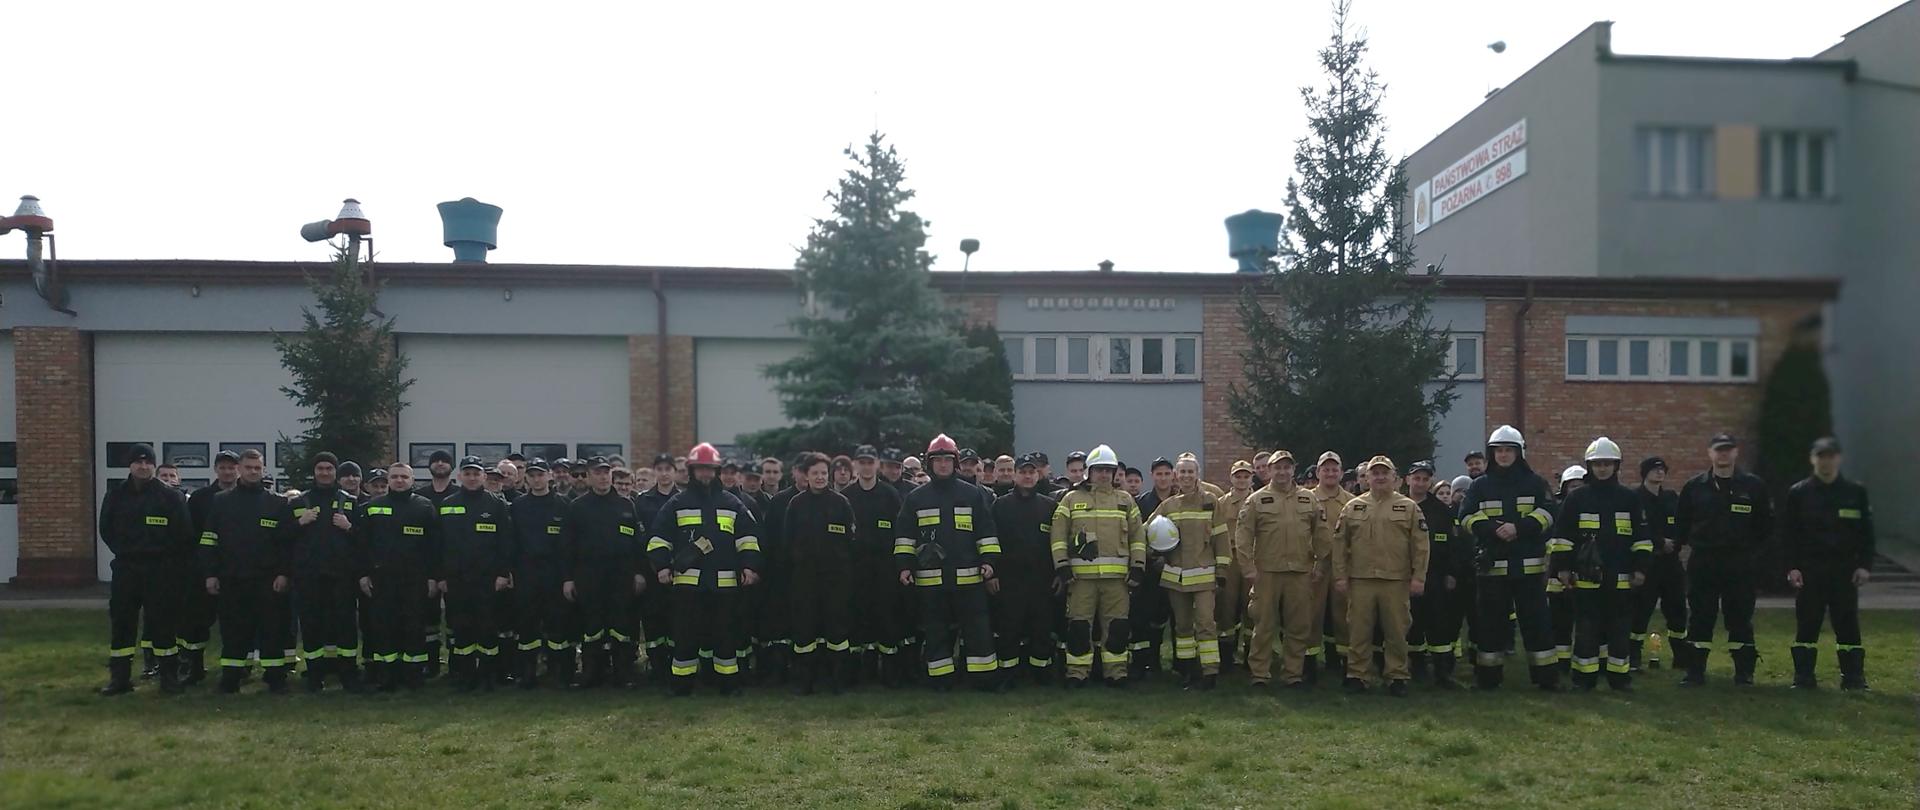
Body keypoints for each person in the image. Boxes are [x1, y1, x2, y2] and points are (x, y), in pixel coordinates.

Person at [647, 442, 763, 696]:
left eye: (710, 469)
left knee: (725, 637)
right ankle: (681, 686)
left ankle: (728, 685)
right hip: (688, 584)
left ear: (717, 471)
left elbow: (749, 538)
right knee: (685, 637)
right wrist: (662, 566)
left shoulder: (732, 503)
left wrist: (750, 566)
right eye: (700, 469)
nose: (705, 474)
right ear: (691, 470)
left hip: (725, 585)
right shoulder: (677, 503)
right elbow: (658, 538)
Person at [895, 434, 1001, 691]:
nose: (942, 464)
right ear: (929, 464)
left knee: (977, 632)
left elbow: (986, 532)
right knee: (936, 632)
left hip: (970, 579)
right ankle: (940, 680)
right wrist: (904, 566)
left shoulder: (973, 495)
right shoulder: (916, 498)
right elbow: (904, 536)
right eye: (937, 460)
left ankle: (981, 680)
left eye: (947, 459)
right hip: (931, 580)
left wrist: (989, 561)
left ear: (955, 463)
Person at [1460, 426, 1560, 691]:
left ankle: (1546, 679)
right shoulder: (1480, 484)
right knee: (1489, 626)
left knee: (1536, 623)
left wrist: (1520, 527)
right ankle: (1488, 680)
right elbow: (1466, 516)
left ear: (1519, 452)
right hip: (1492, 570)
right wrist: (1493, 529)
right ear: (1492, 454)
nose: (1503, 455)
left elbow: (1550, 513)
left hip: (1528, 569)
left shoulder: (1535, 483)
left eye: (1509, 450)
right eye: (1498, 450)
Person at [1549, 439, 1652, 691]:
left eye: (1607, 464)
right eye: (1598, 464)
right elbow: (1562, 537)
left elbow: (1642, 538)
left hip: (1621, 576)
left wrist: (1640, 569)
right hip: (1586, 578)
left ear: (1616, 466)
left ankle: (1619, 678)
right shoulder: (1577, 499)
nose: (1603, 468)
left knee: (1619, 630)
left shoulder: (1629, 499)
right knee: (1586, 629)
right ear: (1589, 466)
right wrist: (1562, 568)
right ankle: (1584, 679)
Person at [1674, 433, 1772, 687]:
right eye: (1719, 450)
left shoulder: (1753, 486)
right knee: (1700, 617)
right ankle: (1694, 672)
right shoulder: (1694, 487)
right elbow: (1681, 525)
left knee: (1740, 617)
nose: (1723, 454)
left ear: (1736, 453)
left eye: (1728, 449)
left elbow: (1765, 527)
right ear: (1710, 453)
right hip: (1704, 561)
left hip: (1739, 562)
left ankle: (1744, 673)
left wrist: (1752, 555)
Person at [98, 444, 195, 696]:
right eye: (138, 462)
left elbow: (184, 534)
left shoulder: (170, 497)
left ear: (154, 465)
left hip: (161, 569)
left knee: (163, 624)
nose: (143, 467)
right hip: (126, 568)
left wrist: (166, 560)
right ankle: (120, 679)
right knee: (122, 623)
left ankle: (168, 678)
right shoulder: (116, 495)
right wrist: (126, 550)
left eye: (148, 462)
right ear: (129, 465)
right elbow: (106, 529)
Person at [1332, 456, 1429, 697]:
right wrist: (1340, 576)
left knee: (1396, 631)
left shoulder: (1408, 507)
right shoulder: (1353, 507)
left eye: (1384, 473)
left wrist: (1419, 577)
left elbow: (1421, 545)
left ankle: (1396, 676)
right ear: (1367, 478)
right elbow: (1339, 545)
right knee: (1358, 631)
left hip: (1395, 580)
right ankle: (1357, 675)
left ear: (1395, 477)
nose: (1380, 477)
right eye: (1375, 473)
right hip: (1361, 579)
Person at [1783, 437, 1874, 691]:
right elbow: (1789, 535)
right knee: (1807, 625)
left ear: (1839, 458)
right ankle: (1803, 678)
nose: (1826, 461)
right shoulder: (1799, 493)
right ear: (1813, 459)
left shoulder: (1855, 493)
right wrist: (1792, 567)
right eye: (1821, 456)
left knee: (1847, 626)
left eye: (1831, 456)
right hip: (1810, 571)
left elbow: (1867, 535)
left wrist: (1865, 566)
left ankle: (1853, 678)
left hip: (1844, 572)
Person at [200, 449, 295, 694]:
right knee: (233, 631)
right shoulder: (221, 501)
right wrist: (210, 573)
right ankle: (231, 678)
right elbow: (209, 539)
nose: (253, 471)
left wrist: (284, 573)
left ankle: (275, 678)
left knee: (272, 630)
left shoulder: (278, 503)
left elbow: (287, 543)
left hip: (268, 580)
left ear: (263, 470)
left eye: (257, 468)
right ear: (239, 469)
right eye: (249, 467)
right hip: (232, 578)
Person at [1050, 444, 1145, 688]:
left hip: (1117, 580)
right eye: (1099, 469)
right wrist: (1062, 566)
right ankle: (1077, 673)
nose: (1103, 474)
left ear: (1114, 473)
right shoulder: (1071, 499)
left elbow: (1138, 537)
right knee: (1079, 627)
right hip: (1080, 580)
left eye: (1108, 470)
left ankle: (1116, 672)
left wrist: (1138, 567)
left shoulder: (1125, 501)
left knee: (1117, 627)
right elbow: (1058, 535)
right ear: (1089, 471)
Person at [1234, 450, 1329, 689]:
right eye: (1278, 467)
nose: (1282, 471)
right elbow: (1243, 535)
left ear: (1293, 469)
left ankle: (1293, 675)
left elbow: (1322, 535)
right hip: (1267, 573)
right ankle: (1259, 674)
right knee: (1264, 626)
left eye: (1287, 467)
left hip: (1299, 572)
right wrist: (1247, 567)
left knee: (1298, 627)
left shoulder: (1309, 499)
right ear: (1269, 470)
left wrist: (1320, 564)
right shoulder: (1256, 499)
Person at [354, 463, 440, 691]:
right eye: (395, 477)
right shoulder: (373, 507)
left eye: (404, 477)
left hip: (415, 579)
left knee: (413, 627)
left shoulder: (424, 507)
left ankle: (413, 675)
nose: (399, 480)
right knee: (384, 627)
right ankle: (387, 676)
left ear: (412, 480)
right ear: (389, 480)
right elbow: (362, 545)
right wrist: (363, 574)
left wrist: (433, 577)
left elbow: (435, 546)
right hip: (382, 579)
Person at [283, 452, 364, 693]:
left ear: (335, 472)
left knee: (345, 626)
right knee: (311, 625)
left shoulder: (350, 502)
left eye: (329, 468)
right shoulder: (299, 503)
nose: (325, 472)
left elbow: (365, 539)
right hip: (309, 577)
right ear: (314, 471)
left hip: (342, 576)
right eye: (320, 468)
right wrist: (299, 523)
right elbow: (281, 537)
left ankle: (348, 673)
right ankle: (314, 674)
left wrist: (350, 528)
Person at [562, 457, 646, 689]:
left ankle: (623, 674)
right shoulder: (577, 507)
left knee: (622, 627)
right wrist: (568, 579)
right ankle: (591, 674)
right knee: (592, 627)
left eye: (606, 472)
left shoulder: (626, 505)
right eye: (597, 473)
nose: (602, 477)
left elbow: (638, 544)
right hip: (589, 576)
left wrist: (639, 573)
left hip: (621, 576)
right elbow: (567, 547)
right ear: (589, 476)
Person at [781, 452, 859, 695]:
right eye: (815, 473)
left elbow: (851, 539)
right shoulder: (796, 504)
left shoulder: (841, 503)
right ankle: (805, 681)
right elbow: (787, 540)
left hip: (836, 579)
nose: (819, 477)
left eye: (823, 473)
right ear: (806, 475)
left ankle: (838, 680)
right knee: (805, 631)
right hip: (804, 579)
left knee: (837, 630)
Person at [1152, 454, 1231, 690]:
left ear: (1197, 474)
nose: (1186, 476)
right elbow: (1148, 531)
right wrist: (1156, 557)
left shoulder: (1210, 502)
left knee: (1206, 623)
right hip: (1176, 576)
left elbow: (1221, 536)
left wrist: (1223, 569)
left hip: (1204, 574)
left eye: (1191, 471)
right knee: (1183, 627)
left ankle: (1210, 672)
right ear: (1177, 475)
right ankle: (1187, 671)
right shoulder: (1168, 506)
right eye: (1183, 472)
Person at [436, 456, 514, 692]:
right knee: (462, 628)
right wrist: (441, 576)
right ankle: (465, 675)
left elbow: (506, 543)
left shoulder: (497, 505)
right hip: (457, 579)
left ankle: (488, 676)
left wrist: (502, 574)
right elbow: (439, 544)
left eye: (476, 473)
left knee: (487, 627)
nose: (471, 477)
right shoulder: (447, 504)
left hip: (487, 579)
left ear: (483, 476)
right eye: (467, 473)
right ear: (460, 476)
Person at [990, 453, 1060, 689]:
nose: (1028, 476)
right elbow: (992, 541)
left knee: (1041, 628)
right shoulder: (1000, 505)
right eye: (1023, 472)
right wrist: (993, 574)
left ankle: (1041, 674)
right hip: (1010, 580)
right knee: (1009, 628)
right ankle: (1008, 674)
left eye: (1032, 472)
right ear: (1016, 475)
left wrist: (1059, 573)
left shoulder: (1049, 506)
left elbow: (1058, 543)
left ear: (1038, 475)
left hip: (1042, 580)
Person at [844, 445, 912, 687]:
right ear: (856, 465)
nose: (865, 466)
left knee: (887, 618)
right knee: (860, 618)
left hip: (885, 567)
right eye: (861, 462)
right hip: (857, 568)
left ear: (877, 465)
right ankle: (864, 671)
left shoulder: (890, 495)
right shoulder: (847, 496)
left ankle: (890, 673)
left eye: (870, 462)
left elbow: (901, 530)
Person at [507, 459, 573, 688]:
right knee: (527, 625)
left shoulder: (564, 505)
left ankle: (560, 672)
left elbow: (569, 545)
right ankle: (527, 673)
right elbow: (511, 542)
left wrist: (567, 577)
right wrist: (511, 572)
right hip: (526, 573)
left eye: (541, 475)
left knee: (558, 624)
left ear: (550, 477)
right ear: (526, 478)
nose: (537, 479)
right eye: (532, 475)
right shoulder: (517, 506)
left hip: (555, 573)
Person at [1403, 460, 1467, 687]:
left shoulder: (1442, 511)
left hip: (1436, 575)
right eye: (1416, 478)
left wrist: (1451, 573)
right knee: (1411, 624)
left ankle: (1442, 672)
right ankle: (1416, 667)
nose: (1420, 483)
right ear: (1407, 479)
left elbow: (1454, 545)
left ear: (1430, 482)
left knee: (1439, 623)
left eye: (1425, 479)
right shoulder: (1398, 505)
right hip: (1403, 576)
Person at [1631, 457, 1685, 672]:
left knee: (1677, 608)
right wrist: (1660, 542)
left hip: (1671, 563)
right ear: (1645, 473)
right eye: (1655, 470)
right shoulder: (1636, 498)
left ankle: (1681, 655)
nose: (1659, 473)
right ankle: (1633, 654)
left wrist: (1676, 543)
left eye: (1662, 469)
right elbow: (1638, 527)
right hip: (1648, 562)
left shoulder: (1671, 498)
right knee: (1640, 610)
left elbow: (1682, 523)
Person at [1306, 451, 1355, 681]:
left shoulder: (1352, 502)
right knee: (1312, 614)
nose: (1330, 473)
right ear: (1317, 473)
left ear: (1342, 473)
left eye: (1334, 469)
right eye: (1325, 469)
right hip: (1315, 565)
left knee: (1344, 615)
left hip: (1342, 565)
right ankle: (1309, 664)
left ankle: (1346, 663)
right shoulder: (1306, 499)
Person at [1131, 457, 1178, 680]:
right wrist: (1152, 558)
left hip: (1177, 567)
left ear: (1173, 475)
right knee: (1146, 615)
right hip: (1151, 570)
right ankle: (1147, 662)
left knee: (1176, 617)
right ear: (1152, 476)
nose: (1163, 478)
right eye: (1158, 474)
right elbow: (1138, 535)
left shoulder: (1181, 501)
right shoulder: (1141, 503)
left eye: (1167, 474)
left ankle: (1181, 663)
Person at [635, 453, 681, 681]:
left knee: (676, 619)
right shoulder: (642, 501)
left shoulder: (684, 499)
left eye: (668, 468)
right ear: (654, 472)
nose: (664, 473)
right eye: (660, 469)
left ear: (675, 472)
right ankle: (657, 667)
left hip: (678, 570)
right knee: (653, 620)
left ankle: (675, 665)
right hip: (649, 570)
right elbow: (639, 539)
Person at [1216, 460, 1257, 673]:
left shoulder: (1260, 500)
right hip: (1230, 559)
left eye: (1246, 476)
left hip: (1252, 559)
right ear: (1231, 478)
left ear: (1252, 478)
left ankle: (1252, 655)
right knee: (1226, 607)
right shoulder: (1221, 503)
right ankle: (1227, 657)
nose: (1241, 480)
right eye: (1237, 476)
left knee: (1252, 608)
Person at [1546, 465, 1587, 678]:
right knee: (1559, 623)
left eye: (1580, 485)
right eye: (1572, 485)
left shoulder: (1592, 506)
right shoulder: (1557, 509)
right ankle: (1561, 664)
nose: (1576, 489)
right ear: (1565, 488)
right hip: (1557, 576)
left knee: (1586, 623)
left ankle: (1587, 664)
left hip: (1586, 574)